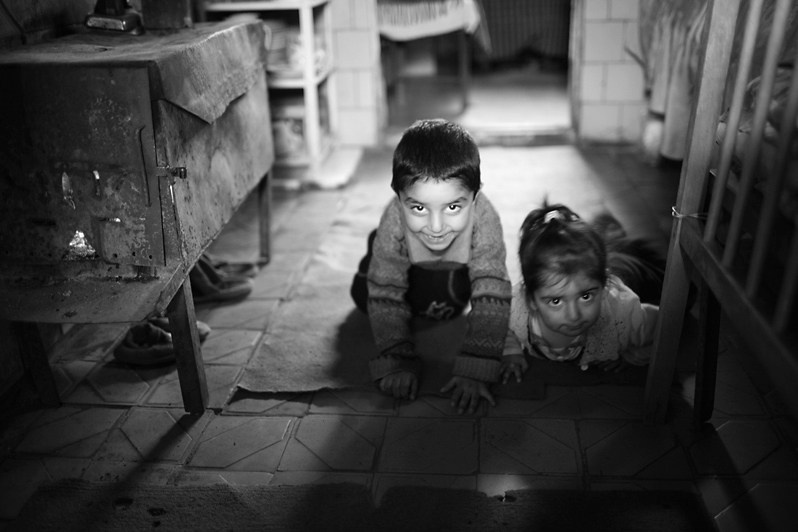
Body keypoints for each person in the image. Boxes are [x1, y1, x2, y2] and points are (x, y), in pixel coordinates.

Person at [351, 119, 512, 414]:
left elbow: (493, 288)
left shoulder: (485, 218)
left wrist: (477, 369)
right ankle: (376, 249)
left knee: (447, 306)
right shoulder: (393, 218)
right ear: (399, 199)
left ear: (474, 197)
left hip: (453, 266)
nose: (436, 227)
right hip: (406, 258)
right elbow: (385, 291)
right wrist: (397, 360)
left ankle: (414, 264)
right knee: (365, 295)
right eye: (419, 208)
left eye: (453, 207)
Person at [501, 203, 662, 384]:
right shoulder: (515, 310)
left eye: (585, 297)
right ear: (530, 300)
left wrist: (631, 356)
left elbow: (665, 326)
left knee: (641, 266)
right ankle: (610, 235)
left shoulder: (622, 313)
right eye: (555, 301)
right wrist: (511, 351)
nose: (574, 315)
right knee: (608, 257)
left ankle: (614, 235)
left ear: (603, 289)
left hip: (628, 275)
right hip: (596, 273)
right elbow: (496, 325)